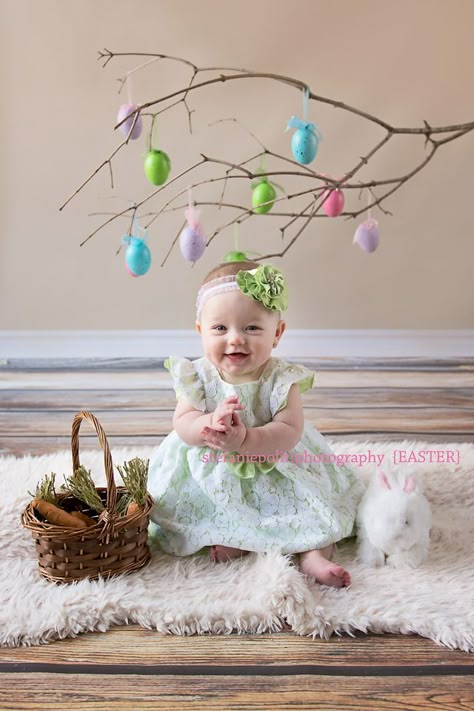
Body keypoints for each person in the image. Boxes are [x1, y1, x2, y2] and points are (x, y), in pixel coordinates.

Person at [148, 259, 364, 587]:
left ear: (277, 333)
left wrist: (246, 439)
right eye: (220, 328)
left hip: (276, 464)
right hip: (212, 467)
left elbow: (289, 430)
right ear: (200, 331)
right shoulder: (197, 376)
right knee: (201, 507)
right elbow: (183, 422)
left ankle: (314, 555)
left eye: (251, 328)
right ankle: (235, 539)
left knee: (312, 507)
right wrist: (206, 423)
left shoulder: (282, 378)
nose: (235, 339)